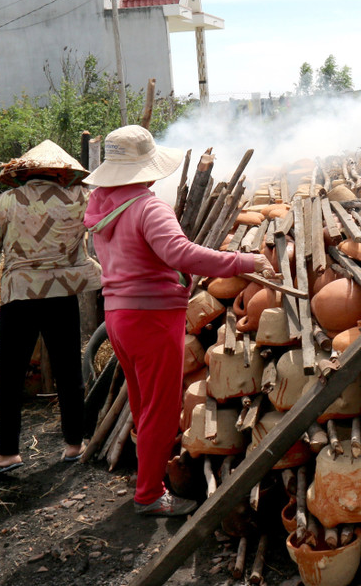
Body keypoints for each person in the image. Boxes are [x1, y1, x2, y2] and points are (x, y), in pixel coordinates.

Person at [83, 125, 272, 516]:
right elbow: (181, 254)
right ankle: (149, 496)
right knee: (162, 411)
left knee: (143, 404)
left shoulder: (101, 205)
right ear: (146, 169)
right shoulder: (148, 207)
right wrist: (244, 261)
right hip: (151, 318)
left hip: (119, 316)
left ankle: (147, 479)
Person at [0, 140, 102, 477]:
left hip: (20, 295)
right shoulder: (81, 198)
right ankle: (75, 445)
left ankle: (7, 455)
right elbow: (101, 232)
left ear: (24, 173)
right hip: (63, 293)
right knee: (69, 370)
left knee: (10, 374)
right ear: (61, 172)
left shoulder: (5, 202)